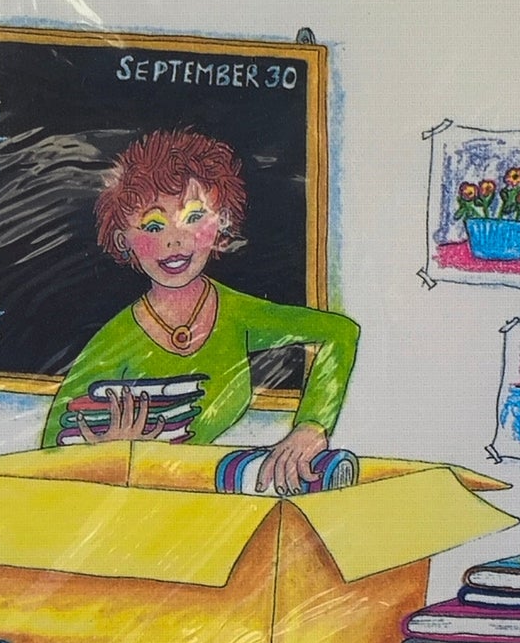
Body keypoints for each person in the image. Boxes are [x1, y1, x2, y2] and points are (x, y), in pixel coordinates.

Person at [41, 128, 359, 493]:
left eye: (194, 216)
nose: (175, 239)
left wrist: (311, 427)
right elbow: (48, 459)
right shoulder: (113, 344)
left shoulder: (238, 314)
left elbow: (340, 333)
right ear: (122, 240)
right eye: (154, 225)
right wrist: (109, 456)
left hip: (205, 493)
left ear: (221, 225)